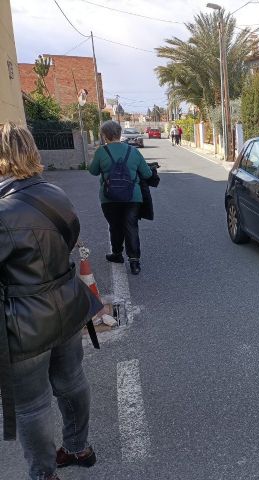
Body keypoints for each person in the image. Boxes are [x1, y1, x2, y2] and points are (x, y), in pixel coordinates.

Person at [0, 122, 102, 480]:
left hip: (24, 322)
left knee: (31, 405)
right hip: (68, 305)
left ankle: (43, 474)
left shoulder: (3, 211)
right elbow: (70, 240)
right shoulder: (56, 193)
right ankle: (78, 447)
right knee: (72, 379)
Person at [89, 121, 153, 275]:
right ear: (119, 133)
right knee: (131, 226)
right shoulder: (133, 151)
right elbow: (147, 174)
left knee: (115, 226)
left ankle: (117, 254)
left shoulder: (101, 151)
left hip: (109, 197)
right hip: (133, 197)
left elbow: (93, 171)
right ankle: (134, 262)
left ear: (104, 135)